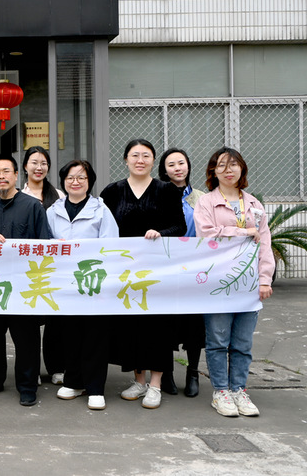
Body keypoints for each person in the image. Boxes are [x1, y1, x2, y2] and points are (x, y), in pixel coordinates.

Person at [100, 139, 186, 410]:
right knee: (130, 325)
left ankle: (156, 384)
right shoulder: (112, 191)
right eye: (135, 155)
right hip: (124, 271)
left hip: (157, 271)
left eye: (146, 155)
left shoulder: (166, 190)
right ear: (125, 159)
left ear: (153, 160)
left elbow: (180, 227)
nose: (140, 160)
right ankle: (138, 381)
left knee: (158, 325)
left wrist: (161, 233)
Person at [194, 147, 273, 417]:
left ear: (242, 169)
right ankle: (221, 392)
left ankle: (239, 389)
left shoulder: (254, 204)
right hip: (218, 283)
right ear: (213, 171)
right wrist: (243, 232)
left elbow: (264, 243)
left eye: (234, 165)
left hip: (249, 285)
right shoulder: (206, 203)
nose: (228, 170)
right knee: (217, 340)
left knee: (242, 343)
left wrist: (265, 279)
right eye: (222, 166)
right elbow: (207, 234)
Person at [0, 154, 52, 407]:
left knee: (26, 339)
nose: (1, 176)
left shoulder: (33, 207)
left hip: (23, 286)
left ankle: (27, 386)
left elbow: (45, 245)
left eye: (6, 171)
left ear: (17, 175)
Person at [47, 160, 119, 410]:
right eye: (70, 177)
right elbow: (45, 243)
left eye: (81, 177)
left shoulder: (101, 210)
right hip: (65, 285)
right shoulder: (53, 210)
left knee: (95, 335)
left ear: (89, 182)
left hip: (93, 282)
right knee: (70, 334)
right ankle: (74, 381)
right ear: (63, 181)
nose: (75, 182)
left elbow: (111, 246)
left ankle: (95, 388)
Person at [158, 148, 206, 397]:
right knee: (166, 320)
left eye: (181, 163)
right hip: (166, 265)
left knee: (194, 322)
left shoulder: (201, 198)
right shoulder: (158, 195)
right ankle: (165, 373)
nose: (177, 168)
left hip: (195, 267)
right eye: (171, 164)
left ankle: (193, 372)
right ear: (164, 170)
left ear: (188, 166)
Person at [21, 146, 65, 386]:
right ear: (25, 166)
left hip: (54, 266)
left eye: (44, 163)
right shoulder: (19, 195)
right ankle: (32, 370)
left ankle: (57, 367)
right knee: (29, 323)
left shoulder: (58, 195)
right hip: (28, 267)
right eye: (34, 162)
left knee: (55, 321)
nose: (39, 168)